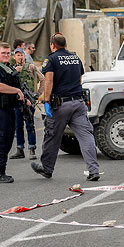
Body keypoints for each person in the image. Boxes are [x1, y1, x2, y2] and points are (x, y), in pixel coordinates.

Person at [31, 33, 100, 181]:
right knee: (86, 136)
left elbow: (48, 81)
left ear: (52, 45)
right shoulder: (76, 58)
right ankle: (93, 171)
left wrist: (47, 101)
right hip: (78, 102)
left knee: (52, 136)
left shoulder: (51, 59)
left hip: (60, 104)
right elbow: (80, 80)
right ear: (65, 44)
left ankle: (47, 169)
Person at [0, 42, 30, 183]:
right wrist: (17, 91)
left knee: (7, 140)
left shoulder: (8, 69)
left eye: (8, 53)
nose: (6, 55)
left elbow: (15, 86)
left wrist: (23, 98)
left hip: (8, 109)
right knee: (0, 141)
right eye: (3, 53)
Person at [9, 48, 43, 161]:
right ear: (14, 57)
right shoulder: (12, 69)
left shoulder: (31, 67)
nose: (20, 57)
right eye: (17, 55)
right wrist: (15, 72)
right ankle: (20, 149)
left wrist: (38, 93)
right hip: (17, 100)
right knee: (18, 125)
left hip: (29, 100)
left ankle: (32, 148)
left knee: (30, 125)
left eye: (21, 55)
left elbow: (42, 79)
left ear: (24, 56)